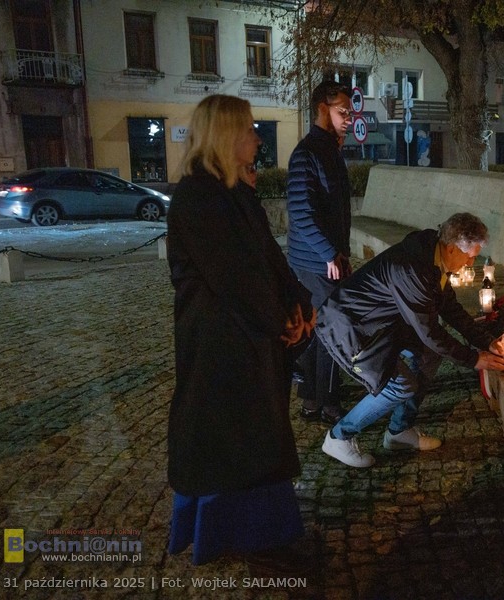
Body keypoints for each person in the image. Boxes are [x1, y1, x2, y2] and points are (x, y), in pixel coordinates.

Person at [165, 94, 316, 573]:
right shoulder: (197, 198)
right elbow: (234, 276)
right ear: (226, 136)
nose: (256, 137)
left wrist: (300, 304)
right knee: (235, 448)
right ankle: (251, 544)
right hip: (221, 349)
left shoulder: (236, 192)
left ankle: (267, 539)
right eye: (248, 129)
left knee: (260, 444)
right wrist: (281, 321)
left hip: (251, 341)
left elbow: (269, 257)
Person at [316, 213, 504, 468]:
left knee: (429, 355)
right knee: (401, 385)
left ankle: (399, 431)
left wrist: (486, 342)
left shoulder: (434, 257)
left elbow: (449, 308)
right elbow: (429, 332)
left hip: (384, 324)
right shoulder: (412, 269)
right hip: (351, 328)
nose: (471, 262)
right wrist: (473, 359)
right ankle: (339, 436)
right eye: (470, 255)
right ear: (451, 248)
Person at [286, 80, 354, 425]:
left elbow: (334, 211)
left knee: (321, 332)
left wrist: (340, 252)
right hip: (313, 263)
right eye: (342, 111)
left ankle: (313, 401)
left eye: (350, 111)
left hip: (326, 260)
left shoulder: (329, 150)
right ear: (321, 109)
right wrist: (330, 254)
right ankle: (328, 405)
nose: (349, 117)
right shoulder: (307, 153)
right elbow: (300, 211)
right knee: (333, 331)